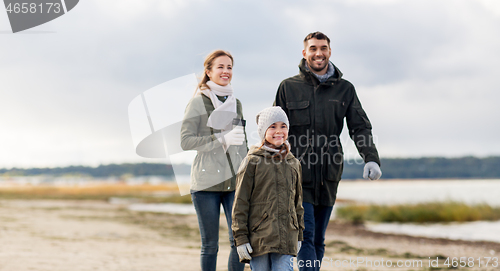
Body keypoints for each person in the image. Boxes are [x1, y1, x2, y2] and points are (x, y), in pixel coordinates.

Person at [274, 31, 382, 271]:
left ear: (329, 52)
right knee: (306, 235)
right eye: (313, 48)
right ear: (305, 53)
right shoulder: (288, 87)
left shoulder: (345, 89)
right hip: (297, 175)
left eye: (323, 48)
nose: (318, 53)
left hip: (330, 174)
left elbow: (360, 127)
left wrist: (371, 159)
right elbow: (274, 129)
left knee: (319, 239)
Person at [181, 50, 247, 271]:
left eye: (229, 67)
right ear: (208, 71)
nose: (226, 71)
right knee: (210, 246)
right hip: (205, 184)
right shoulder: (197, 103)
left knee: (238, 242)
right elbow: (186, 141)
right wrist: (220, 139)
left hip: (233, 182)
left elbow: (242, 143)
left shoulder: (235, 103)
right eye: (220, 67)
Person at [232, 106, 304, 271]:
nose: (278, 131)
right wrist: (241, 239)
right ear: (263, 131)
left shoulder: (294, 163)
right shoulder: (252, 162)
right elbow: (240, 203)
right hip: (259, 238)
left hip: (287, 237)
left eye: (283, 126)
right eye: (273, 127)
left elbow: (297, 203)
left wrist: (298, 234)